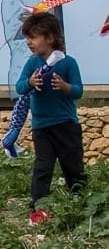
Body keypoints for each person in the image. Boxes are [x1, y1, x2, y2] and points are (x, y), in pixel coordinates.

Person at [15, 12, 87, 226]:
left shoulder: (68, 63)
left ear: (50, 38)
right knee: (42, 168)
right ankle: (38, 210)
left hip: (66, 125)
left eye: (34, 37)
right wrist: (29, 82)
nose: (29, 42)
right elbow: (20, 87)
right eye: (27, 37)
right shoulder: (32, 64)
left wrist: (65, 87)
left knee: (73, 166)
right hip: (42, 126)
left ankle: (80, 204)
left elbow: (78, 91)